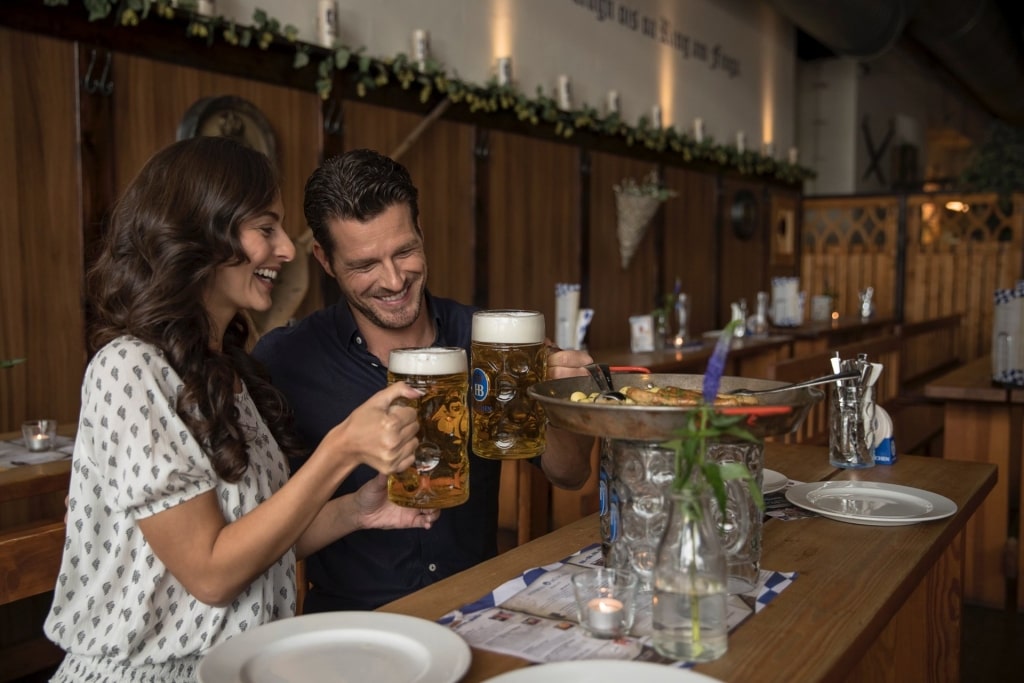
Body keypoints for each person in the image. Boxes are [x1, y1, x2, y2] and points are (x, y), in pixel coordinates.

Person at [43, 137, 438, 682]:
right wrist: (343, 447)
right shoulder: (128, 367)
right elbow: (210, 573)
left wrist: (355, 512)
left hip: (243, 667)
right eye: (266, 228)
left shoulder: (228, 367)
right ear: (204, 233)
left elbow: (253, 539)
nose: (287, 250)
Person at [253, 148, 595, 613]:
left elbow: (570, 474)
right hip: (353, 624)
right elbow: (267, 538)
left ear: (421, 233)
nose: (394, 280)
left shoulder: (487, 340)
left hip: (475, 609)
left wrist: (563, 400)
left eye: (405, 251)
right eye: (364, 265)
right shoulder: (286, 359)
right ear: (325, 260)